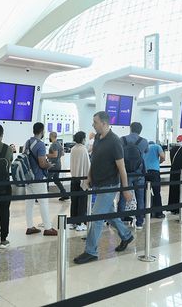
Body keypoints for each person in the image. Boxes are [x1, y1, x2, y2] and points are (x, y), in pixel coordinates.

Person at [73, 111, 134, 264]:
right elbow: (94, 160)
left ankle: (91, 251)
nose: (93, 125)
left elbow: (122, 167)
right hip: (98, 184)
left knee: (96, 217)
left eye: (95, 122)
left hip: (109, 186)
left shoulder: (115, 141)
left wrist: (125, 189)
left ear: (104, 123)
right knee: (109, 214)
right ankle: (126, 235)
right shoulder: (98, 139)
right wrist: (89, 177)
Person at [24, 122, 57, 236]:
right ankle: (48, 228)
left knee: (29, 203)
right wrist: (49, 165)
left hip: (28, 177)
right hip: (38, 177)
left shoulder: (27, 143)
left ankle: (30, 226)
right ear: (42, 131)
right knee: (43, 202)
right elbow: (42, 163)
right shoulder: (40, 145)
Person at [118, 122, 148, 229]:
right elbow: (145, 152)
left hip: (125, 174)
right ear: (140, 130)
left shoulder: (122, 140)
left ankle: (120, 221)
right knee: (140, 198)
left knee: (122, 197)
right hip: (139, 173)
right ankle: (139, 222)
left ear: (130, 129)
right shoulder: (144, 141)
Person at [69, 131, 90, 231]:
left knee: (74, 201)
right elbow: (87, 165)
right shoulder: (83, 149)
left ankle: (73, 222)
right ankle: (80, 223)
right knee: (82, 201)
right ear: (82, 139)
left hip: (74, 178)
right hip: (82, 178)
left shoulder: (73, 149)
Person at [144, 140, 165, 219]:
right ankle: (158, 213)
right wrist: (159, 162)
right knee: (157, 193)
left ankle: (145, 213)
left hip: (145, 172)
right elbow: (162, 157)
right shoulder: (157, 146)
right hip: (154, 172)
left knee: (144, 193)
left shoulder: (144, 148)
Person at [48, 132, 68, 201]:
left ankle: (43, 196)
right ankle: (64, 194)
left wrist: (46, 155)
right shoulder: (59, 144)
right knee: (56, 180)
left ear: (51, 136)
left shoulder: (54, 144)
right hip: (58, 164)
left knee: (46, 180)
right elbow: (62, 154)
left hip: (53, 165)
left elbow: (55, 155)